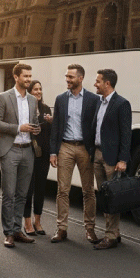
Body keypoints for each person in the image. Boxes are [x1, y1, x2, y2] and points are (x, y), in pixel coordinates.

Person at [49, 64, 100, 244]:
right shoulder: (61, 99)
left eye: (71, 77)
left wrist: (94, 150)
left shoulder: (94, 99)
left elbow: (96, 126)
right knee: (63, 190)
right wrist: (53, 152)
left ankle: (90, 229)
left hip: (85, 149)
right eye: (66, 77)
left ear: (80, 78)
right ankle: (61, 229)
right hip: (66, 147)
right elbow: (56, 127)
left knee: (88, 191)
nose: (67, 80)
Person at [0, 63, 39, 248]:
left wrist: (36, 128)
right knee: (9, 194)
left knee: (23, 194)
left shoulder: (33, 100)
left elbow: (34, 123)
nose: (28, 79)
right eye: (25, 76)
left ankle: (18, 230)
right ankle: (8, 232)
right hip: (9, 149)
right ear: (16, 77)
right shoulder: (4, 97)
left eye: (30, 76)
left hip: (28, 150)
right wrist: (18, 128)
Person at [91, 69, 132, 250]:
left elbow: (126, 134)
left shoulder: (122, 104)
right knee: (105, 197)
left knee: (112, 197)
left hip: (112, 158)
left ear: (107, 83)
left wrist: (123, 159)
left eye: (98, 81)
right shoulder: (99, 102)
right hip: (97, 155)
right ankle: (114, 232)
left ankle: (110, 236)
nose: (95, 84)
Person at [23, 80, 52, 236]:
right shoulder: (25, 107)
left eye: (40, 89)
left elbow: (51, 132)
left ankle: (38, 221)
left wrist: (51, 122)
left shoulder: (46, 108)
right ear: (29, 91)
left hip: (43, 154)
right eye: (35, 89)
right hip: (29, 152)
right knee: (28, 189)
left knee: (41, 188)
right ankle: (27, 222)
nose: (38, 92)